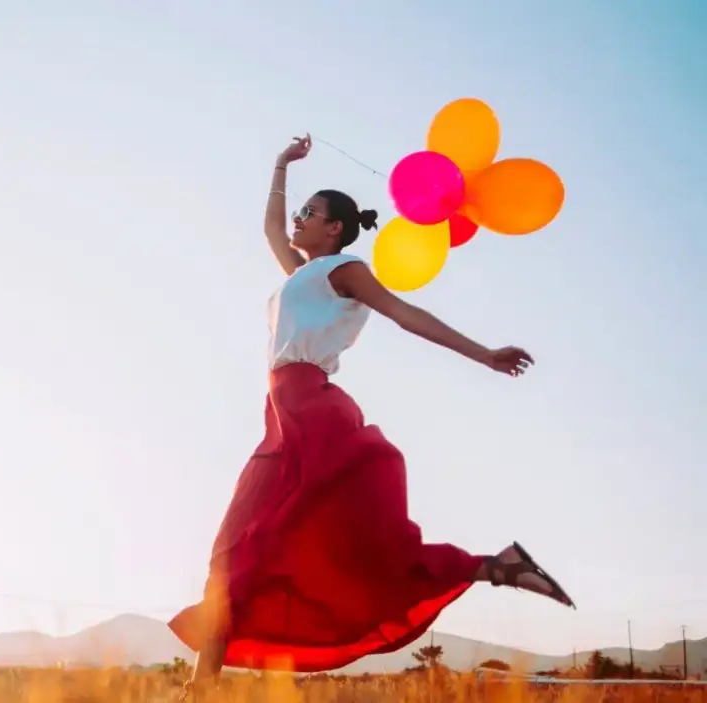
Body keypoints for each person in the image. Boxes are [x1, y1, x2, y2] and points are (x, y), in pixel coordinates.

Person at [167, 134, 574, 699]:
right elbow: (268, 230)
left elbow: (406, 315)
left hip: (313, 412)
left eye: (309, 213)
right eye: (301, 211)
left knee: (347, 552)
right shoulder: (299, 273)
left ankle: (491, 567)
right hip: (282, 417)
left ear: (334, 228)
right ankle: (499, 567)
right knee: (232, 551)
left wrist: (483, 353)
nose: (298, 220)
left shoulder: (345, 270)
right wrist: (280, 165)